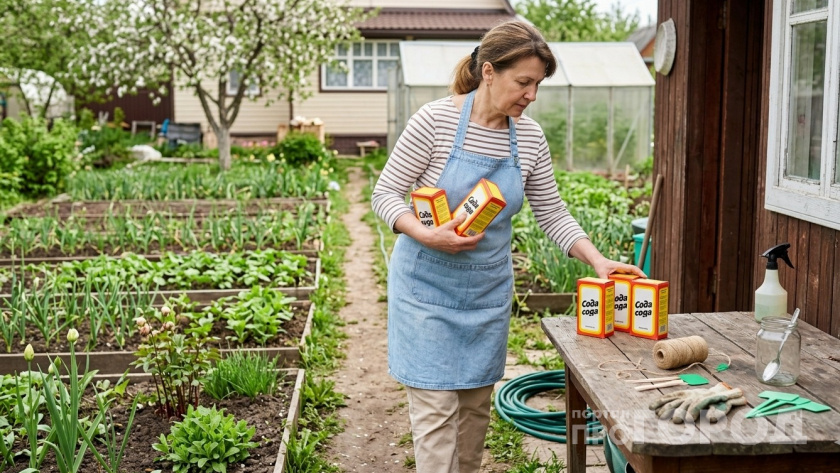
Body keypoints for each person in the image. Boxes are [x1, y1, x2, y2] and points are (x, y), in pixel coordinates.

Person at [371, 20, 646, 473]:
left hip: (485, 295)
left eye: (538, 85)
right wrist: (425, 233)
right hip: (425, 292)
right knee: (437, 416)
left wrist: (597, 261)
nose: (531, 95)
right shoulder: (435, 121)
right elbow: (384, 194)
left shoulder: (530, 138)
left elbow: (552, 212)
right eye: (523, 82)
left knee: (474, 413)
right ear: (489, 72)